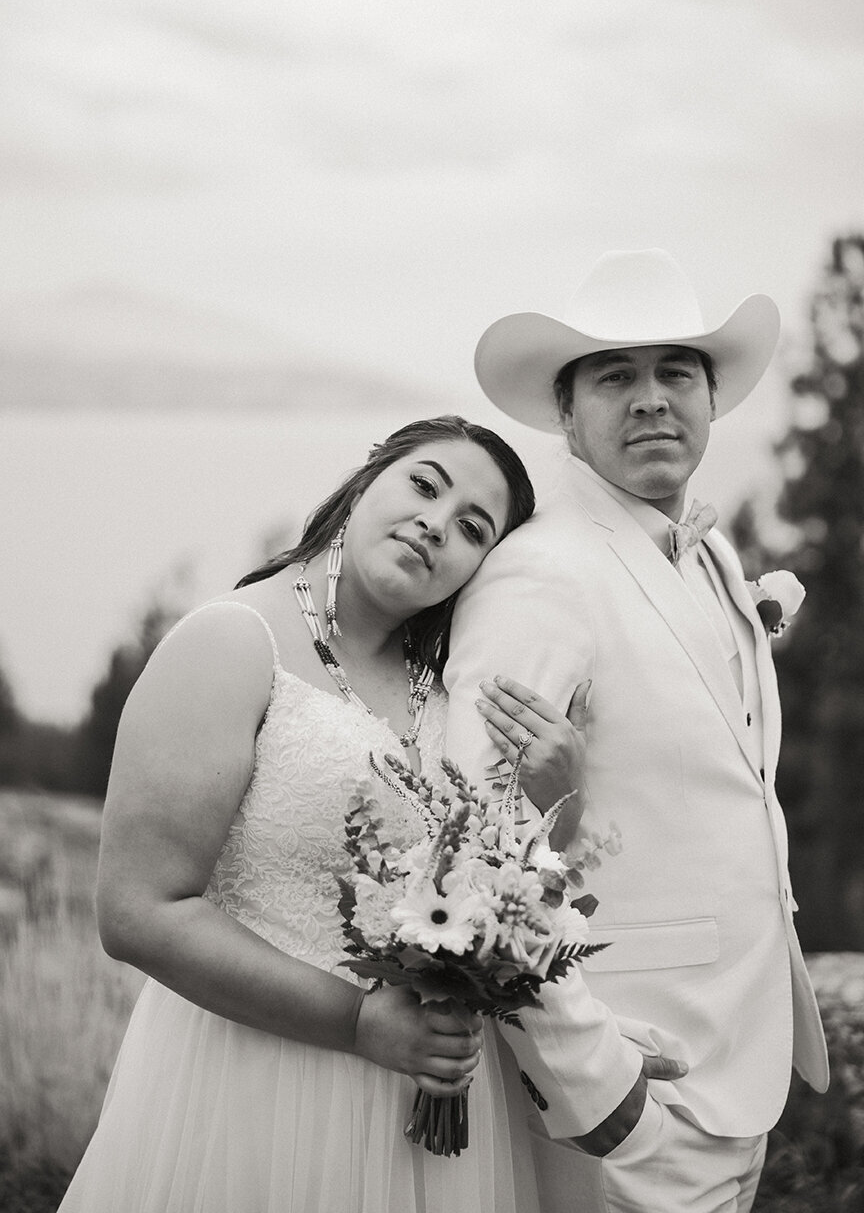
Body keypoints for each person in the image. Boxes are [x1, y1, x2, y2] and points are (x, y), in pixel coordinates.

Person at [58, 415, 589, 1213]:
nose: (434, 524)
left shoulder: (453, 696)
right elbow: (136, 912)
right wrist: (357, 1025)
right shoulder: (231, 644)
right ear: (368, 478)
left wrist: (560, 804)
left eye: (472, 529)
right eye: (423, 485)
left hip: (421, 1128)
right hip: (252, 1092)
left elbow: (503, 895)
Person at [445, 251, 830, 1213]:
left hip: (737, 1063)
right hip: (633, 1091)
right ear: (567, 414)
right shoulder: (542, 573)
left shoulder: (706, 551)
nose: (652, 399)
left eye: (676, 373)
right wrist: (596, 1085)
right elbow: (464, 847)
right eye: (617, 377)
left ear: (710, 398)